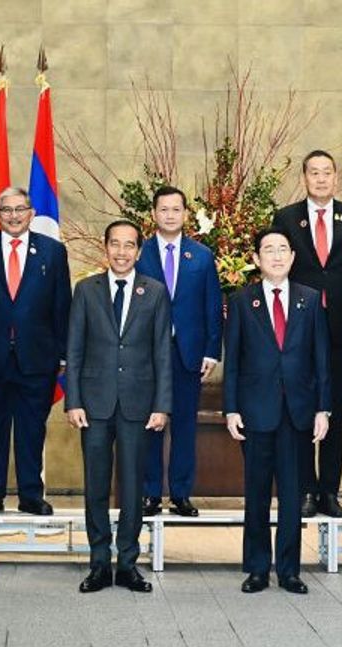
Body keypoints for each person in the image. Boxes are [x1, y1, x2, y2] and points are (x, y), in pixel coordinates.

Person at [65, 220, 172, 594]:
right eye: (115, 245)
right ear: (105, 248)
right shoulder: (86, 290)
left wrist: (162, 405)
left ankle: (127, 563)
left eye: (129, 246)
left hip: (139, 406)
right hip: (93, 405)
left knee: (131, 487)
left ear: (139, 252)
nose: (122, 252)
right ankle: (98, 564)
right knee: (95, 485)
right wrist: (72, 400)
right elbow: (74, 350)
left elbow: (162, 352)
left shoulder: (155, 292)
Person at [224, 229, 330, 595]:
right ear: (256, 259)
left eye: (283, 249)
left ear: (293, 257)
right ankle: (256, 569)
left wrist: (323, 409)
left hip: (298, 411)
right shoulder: (241, 301)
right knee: (256, 494)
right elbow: (233, 360)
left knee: (291, 495)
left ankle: (289, 570)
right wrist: (231, 409)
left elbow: (321, 360)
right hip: (255, 411)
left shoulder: (311, 299)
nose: (277, 256)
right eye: (268, 250)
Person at [271, 150, 342, 518]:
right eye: (313, 173)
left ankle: (330, 491)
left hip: (341, 335)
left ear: (335, 177)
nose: (320, 179)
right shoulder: (286, 218)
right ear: (304, 177)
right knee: (300, 414)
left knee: (335, 413)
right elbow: (277, 270)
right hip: (298, 334)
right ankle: (305, 490)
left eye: (326, 172)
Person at [0, 187, 71, 516]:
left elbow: (62, 305)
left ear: (31, 213)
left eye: (20, 209)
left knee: (32, 429)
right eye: (6, 210)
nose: (13, 215)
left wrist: (63, 353)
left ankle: (30, 494)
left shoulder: (52, 252)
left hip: (36, 358)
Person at [136, 185, 223, 518]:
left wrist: (212, 350)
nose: (170, 215)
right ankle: (150, 494)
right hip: (147, 354)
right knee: (151, 423)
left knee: (185, 425)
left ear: (186, 214)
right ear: (154, 214)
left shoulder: (201, 256)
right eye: (164, 209)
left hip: (189, 354)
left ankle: (182, 494)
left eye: (176, 209)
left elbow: (213, 306)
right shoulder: (139, 253)